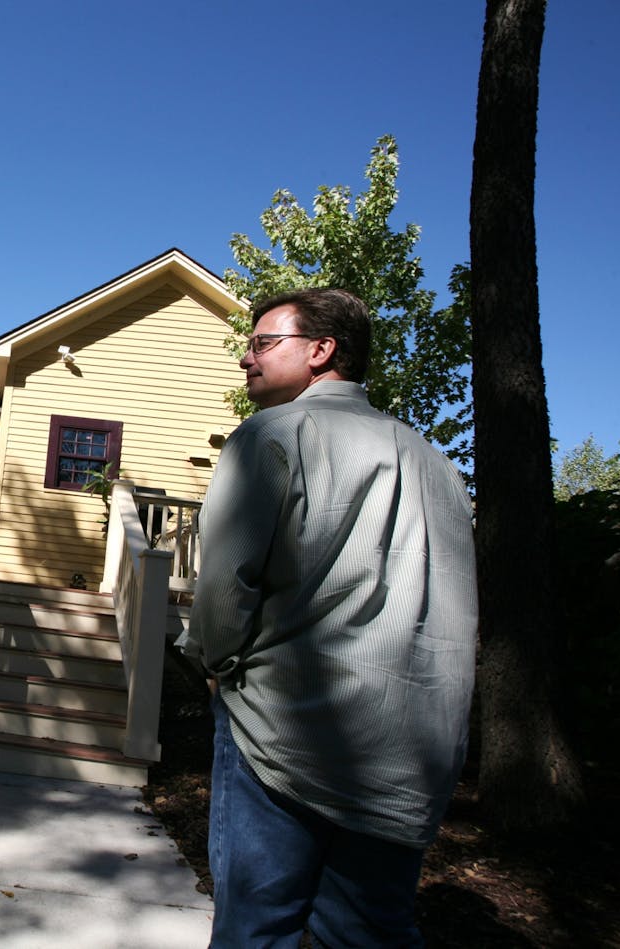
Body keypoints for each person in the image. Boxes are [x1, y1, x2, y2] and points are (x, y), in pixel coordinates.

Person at [179, 287, 476, 947]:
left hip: (281, 737)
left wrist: (214, 665)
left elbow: (225, 592)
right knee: (369, 933)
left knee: (258, 928)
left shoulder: (270, 438)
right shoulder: (440, 468)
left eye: (262, 342)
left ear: (321, 349)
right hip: (410, 751)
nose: (245, 359)